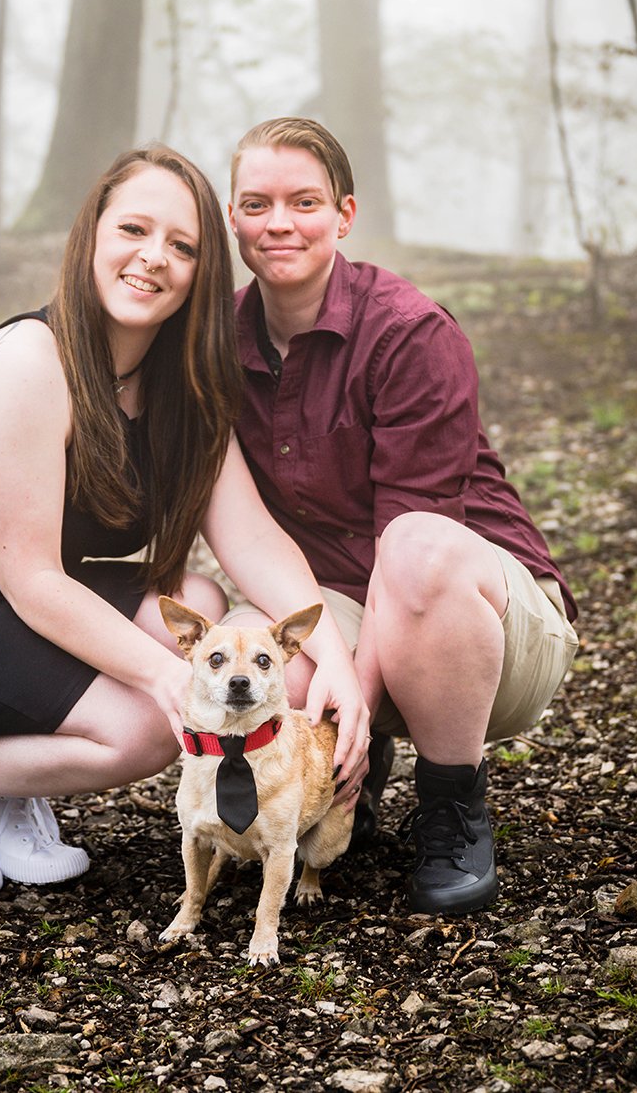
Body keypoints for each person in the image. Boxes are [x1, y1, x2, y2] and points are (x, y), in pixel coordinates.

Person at [0, 144, 370, 899]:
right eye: (133, 229)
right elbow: (33, 580)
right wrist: (170, 679)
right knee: (140, 724)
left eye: (182, 246)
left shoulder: (184, 386)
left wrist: (335, 659)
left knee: (193, 603)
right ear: (92, 235)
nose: (152, 258)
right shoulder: (28, 362)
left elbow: (252, 538)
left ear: (203, 273)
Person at [219, 117, 580, 914]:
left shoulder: (410, 331)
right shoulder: (215, 343)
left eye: (303, 201)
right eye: (256, 203)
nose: (279, 222)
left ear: (344, 214)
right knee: (256, 649)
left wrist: (357, 693)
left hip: (480, 619)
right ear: (234, 218)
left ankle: (453, 806)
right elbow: (106, 374)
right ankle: (342, 782)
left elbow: (406, 555)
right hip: (345, 609)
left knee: (416, 548)